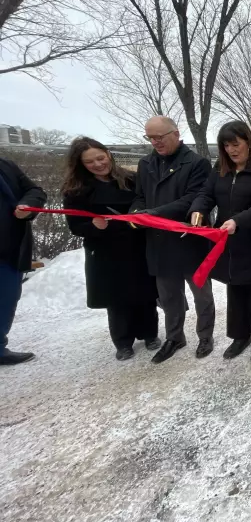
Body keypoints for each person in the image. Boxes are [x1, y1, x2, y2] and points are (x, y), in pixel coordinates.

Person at [189, 121, 251, 363]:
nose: (231, 149)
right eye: (226, 145)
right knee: (236, 289)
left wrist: (237, 221)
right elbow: (206, 193)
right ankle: (240, 336)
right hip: (229, 243)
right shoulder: (221, 167)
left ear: (248, 142)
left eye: (235, 144)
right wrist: (198, 211)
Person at [62, 137, 160, 360]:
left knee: (144, 293)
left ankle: (150, 333)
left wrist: (137, 212)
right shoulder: (75, 191)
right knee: (116, 299)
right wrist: (93, 226)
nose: (98, 164)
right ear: (80, 164)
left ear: (108, 154)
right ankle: (123, 341)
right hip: (105, 252)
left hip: (136, 245)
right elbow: (75, 226)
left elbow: (143, 201)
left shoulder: (130, 179)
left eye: (100, 157)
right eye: (90, 162)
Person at [131, 116, 216, 364]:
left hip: (189, 241)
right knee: (169, 296)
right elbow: (139, 197)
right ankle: (175, 337)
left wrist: (153, 215)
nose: (155, 142)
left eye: (160, 137)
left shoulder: (197, 163)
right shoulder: (145, 163)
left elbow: (193, 198)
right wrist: (137, 213)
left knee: (202, 294)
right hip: (158, 243)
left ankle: (205, 336)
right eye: (150, 138)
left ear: (176, 134)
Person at [0, 157, 46, 365]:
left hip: (9, 251)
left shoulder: (6, 165)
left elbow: (36, 191)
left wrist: (27, 204)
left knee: (6, 300)